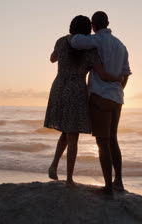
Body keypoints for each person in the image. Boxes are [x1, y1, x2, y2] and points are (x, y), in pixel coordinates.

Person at [44, 15, 121, 186]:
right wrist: (117, 78)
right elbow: (101, 74)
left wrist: (60, 49)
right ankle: (69, 178)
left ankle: (54, 166)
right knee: (73, 135)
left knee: (66, 130)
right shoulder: (90, 50)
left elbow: (52, 58)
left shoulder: (62, 41)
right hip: (76, 90)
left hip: (59, 87)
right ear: (88, 29)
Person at [70, 11, 131, 195]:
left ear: (94, 26)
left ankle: (108, 187)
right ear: (108, 23)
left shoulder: (97, 40)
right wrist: (119, 89)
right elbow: (126, 73)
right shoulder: (121, 45)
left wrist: (82, 32)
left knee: (102, 143)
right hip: (117, 98)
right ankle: (118, 181)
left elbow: (75, 41)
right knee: (113, 140)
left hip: (100, 96)